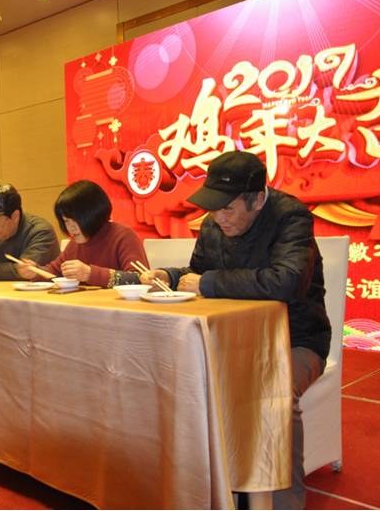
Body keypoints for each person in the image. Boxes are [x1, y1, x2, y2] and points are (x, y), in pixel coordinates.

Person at [139, 150, 331, 510]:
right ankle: (206, 491)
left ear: (257, 199)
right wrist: (171, 276)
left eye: (228, 209)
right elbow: (199, 272)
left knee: (272, 392)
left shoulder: (290, 216)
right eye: (214, 209)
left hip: (295, 340)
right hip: (230, 341)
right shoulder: (214, 223)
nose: (218, 218)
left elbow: (287, 281)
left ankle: (281, 505)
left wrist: (209, 282)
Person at [17, 180, 147, 287]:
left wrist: (90, 274)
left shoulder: (123, 236)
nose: (70, 227)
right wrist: (35, 272)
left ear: (93, 215)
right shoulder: (74, 244)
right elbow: (54, 272)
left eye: (76, 220)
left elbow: (140, 278)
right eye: (66, 221)